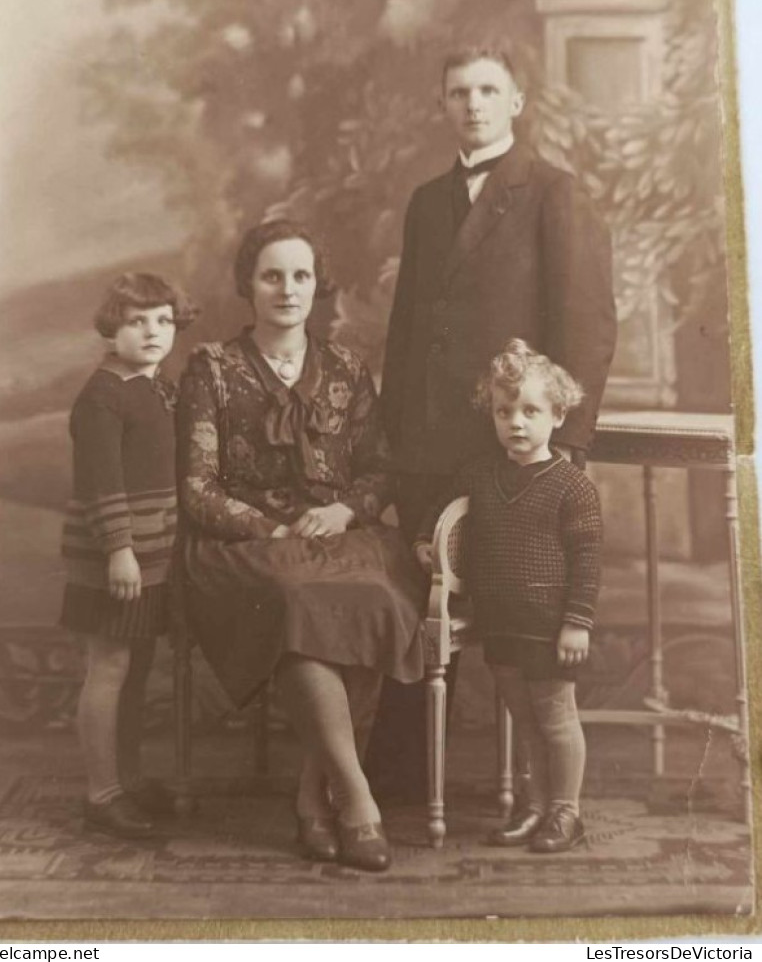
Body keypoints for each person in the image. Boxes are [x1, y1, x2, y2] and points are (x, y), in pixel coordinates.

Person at [366, 45, 617, 799]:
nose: (471, 104)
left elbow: (587, 325)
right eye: (457, 92)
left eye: (487, 90)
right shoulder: (424, 201)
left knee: (522, 620)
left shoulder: (552, 192)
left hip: (515, 448)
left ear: (516, 101)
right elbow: (408, 328)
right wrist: (393, 436)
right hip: (428, 445)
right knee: (416, 601)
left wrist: (565, 444)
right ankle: (403, 775)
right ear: (442, 105)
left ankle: (540, 793)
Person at [175, 218, 425, 873]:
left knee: (372, 592)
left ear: (319, 284)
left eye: (301, 275)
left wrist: (344, 508)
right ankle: (359, 796)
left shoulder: (345, 366)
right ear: (247, 285)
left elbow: (379, 468)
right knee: (297, 596)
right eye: (272, 276)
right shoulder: (213, 369)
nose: (288, 290)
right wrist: (270, 528)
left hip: (337, 535)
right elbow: (197, 487)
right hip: (246, 544)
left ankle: (314, 794)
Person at [414, 339, 603, 852]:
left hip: (549, 624)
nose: (516, 423)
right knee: (524, 719)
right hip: (501, 623)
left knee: (556, 718)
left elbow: (588, 558)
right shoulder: (478, 476)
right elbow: (446, 522)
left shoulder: (571, 486)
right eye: (504, 411)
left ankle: (567, 812)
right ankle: (536, 806)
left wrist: (577, 622)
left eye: (530, 411)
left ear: (558, 416)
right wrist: (428, 548)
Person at [60, 271, 198, 838]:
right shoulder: (103, 396)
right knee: (110, 666)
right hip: (114, 560)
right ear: (111, 328)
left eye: (163, 321)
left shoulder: (153, 386)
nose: (152, 332)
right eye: (137, 321)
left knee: (137, 667)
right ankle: (102, 792)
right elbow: (102, 483)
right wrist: (120, 550)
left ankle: (130, 778)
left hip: (152, 556)